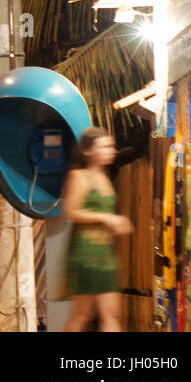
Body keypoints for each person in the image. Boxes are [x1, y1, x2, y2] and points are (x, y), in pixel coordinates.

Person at [63, 128, 131, 332]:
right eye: (105, 147)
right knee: (83, 313)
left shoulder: (105, 175)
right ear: (88, 151)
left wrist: (114, 224)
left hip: (106, 252)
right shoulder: (80, 176)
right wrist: (106, 217)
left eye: (111, 146)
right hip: (86, 253)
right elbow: (71, 211)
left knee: (111, 313)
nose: (111, 150)